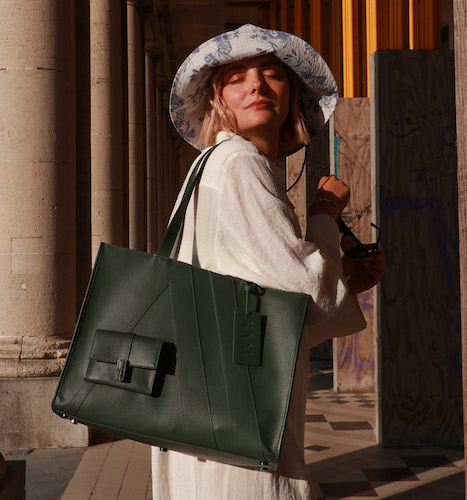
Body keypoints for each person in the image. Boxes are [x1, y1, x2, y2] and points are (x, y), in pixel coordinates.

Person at [152, 24, 385, 499]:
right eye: (236, 77)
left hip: (212, 409)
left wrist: (346, 280)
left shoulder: (213, 164)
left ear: (292, 94)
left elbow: (265, 308)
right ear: (219, 99)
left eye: (271, 73)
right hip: (238, 423)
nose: (256, 84)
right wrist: (324, 214)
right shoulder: (239, 163)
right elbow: (308, 291)